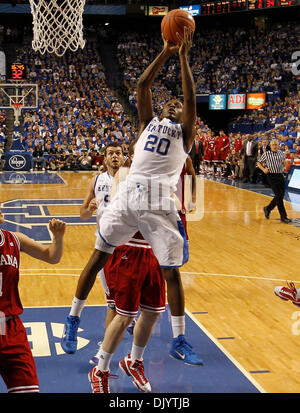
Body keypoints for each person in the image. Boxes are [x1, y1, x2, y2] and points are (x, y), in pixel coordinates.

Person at [61, 27, 202, 375]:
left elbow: (191, 101)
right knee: (98, 256)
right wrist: (166, 53)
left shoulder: (184, 132)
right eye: (166, 102)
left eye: (175, 103)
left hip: (157, 200)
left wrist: (184, 59)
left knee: (170, 271)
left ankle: (180, 338)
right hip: (129, 195)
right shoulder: (146, 123)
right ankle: (73, 317)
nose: (171, 104)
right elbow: (141, 85)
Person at [61, 141, 125, 354]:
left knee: (124, 301)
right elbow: (82, 214)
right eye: (111, 153)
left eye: (118, 153)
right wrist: (88, 208)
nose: (115, 156)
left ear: (124, 157)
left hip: (128, 245)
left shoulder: (132, 180)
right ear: (104, 158)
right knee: (111, 300)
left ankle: (110, 347)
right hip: (106, 240)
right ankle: (73, 319)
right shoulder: (96, 180)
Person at [0, 211, 66, 393]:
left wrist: (58, 238)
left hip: (11, 327)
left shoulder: (15, 239)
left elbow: (52, 256)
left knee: (28, 390)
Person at [256, 139, 291, 223]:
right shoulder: (266, 154)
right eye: (273, 145)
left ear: (278, 145)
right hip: (271, 176)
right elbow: (258, 163)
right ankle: (283, 216)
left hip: (280, 175)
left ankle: (267, 208)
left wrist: (284, 163)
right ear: (270, 146)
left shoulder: (281, 153)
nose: (275, 146)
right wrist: (263, 169)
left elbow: (283, 162)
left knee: (280, 196)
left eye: (276, 144)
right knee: (278, 195)